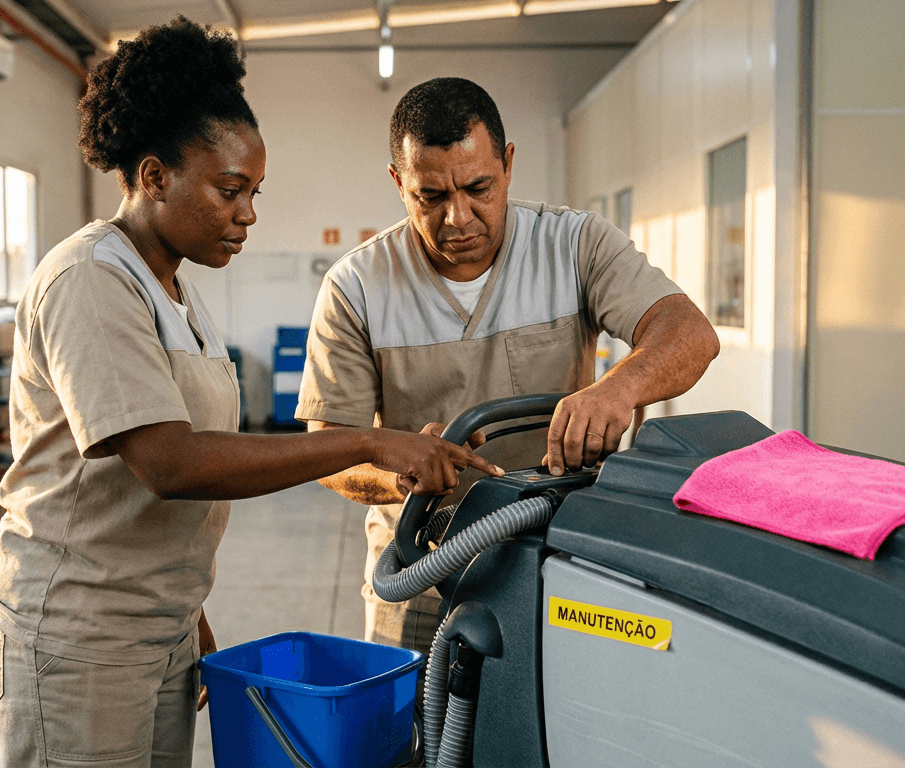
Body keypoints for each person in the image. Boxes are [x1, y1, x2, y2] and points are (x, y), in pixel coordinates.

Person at [0, 25, 499, 768]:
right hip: (77, 634)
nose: (248, 213)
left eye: (254, 192)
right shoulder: (89, 279)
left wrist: (186, 610)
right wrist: (370, 439)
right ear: (154, 176)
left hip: (155, 624)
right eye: (229, 191)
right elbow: (171, 464)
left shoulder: (175, 293)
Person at [297, 77, 720, 659]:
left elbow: (689, 333)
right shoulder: (357, 287)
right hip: (421, 571)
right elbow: (328, 450)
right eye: (431, 197)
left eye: (478, 188)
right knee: (416, 743)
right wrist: (398, 471)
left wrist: (615, 391)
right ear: (399, 183)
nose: (458, 218)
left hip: (556, 556)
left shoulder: (575, 246)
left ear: (509, 163)